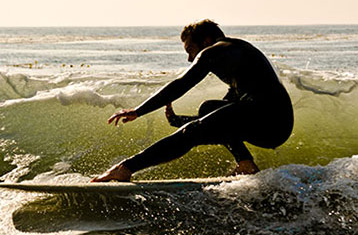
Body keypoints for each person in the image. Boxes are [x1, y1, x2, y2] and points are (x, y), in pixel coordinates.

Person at [92, 19, 293, 182]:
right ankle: (246, 164)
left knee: (194, 131)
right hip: (276, 124)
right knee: (209, 108)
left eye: (190, 50)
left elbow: (181, 84)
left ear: (205, 42)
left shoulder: (215, 51)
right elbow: (218, 118)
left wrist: (138, 111)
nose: (190, 59)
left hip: (266, 116)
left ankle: (125, 168)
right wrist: (178, 121)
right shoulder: (236, 53)